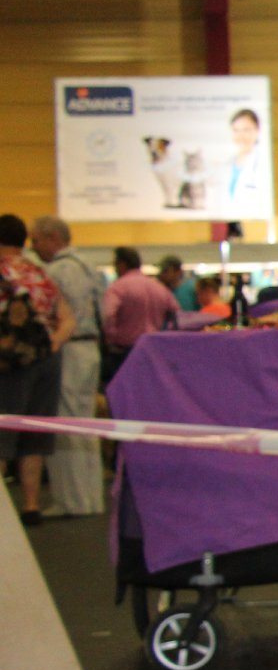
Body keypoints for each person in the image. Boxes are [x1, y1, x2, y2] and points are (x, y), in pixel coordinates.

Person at [28, 216, 106, 516]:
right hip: (90, 346)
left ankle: (71, 500)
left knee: (66, 423)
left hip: (69, 348)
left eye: (36, 240)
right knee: (86, 425)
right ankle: (89, 498)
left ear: (51, 238)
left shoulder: (58, 270)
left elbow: (57, 313)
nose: (34, 247)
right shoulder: (89, 266)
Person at [0, 214, 75, 525]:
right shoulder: (39, 273)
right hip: (47, 359)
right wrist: (51, 345)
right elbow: (68, 318)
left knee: (3, 430)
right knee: (35, 433)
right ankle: (32, 506)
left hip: (9, 364)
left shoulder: (4, 273)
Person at [100, 247, 177, 385]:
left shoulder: (118, 287)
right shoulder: (158, 287)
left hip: (124, 351)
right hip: (153, 348)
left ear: (121, 264)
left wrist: (111, 337)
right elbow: (176, 313)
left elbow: (107, 315)